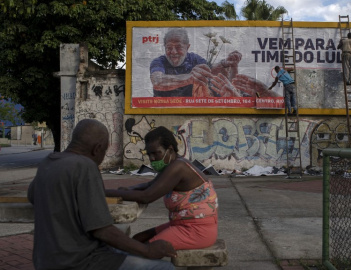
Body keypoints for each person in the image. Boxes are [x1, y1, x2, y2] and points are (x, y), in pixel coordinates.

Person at [27, 119, 176, 270]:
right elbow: (101, 230)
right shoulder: (85, 166)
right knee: (164, 267)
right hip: (80, 261)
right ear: (97, 149)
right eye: (104, 151)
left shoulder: (49, 162)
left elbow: (32, 196)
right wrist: (147, 250)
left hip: (45, 260)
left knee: (127, 248)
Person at [105, 126, 218, 250]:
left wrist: (105, 192)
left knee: (144, 250)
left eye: (155, 153)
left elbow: (147, 196)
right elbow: (150, 184)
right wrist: (128, 189)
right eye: (149, 154)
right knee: (138, 239)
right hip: (182, 224)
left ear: (169, 149)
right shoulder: (173, 164)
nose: (152, 158)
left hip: (196, 230)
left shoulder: (178, 167)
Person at [150, 28, 242, 97]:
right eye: (169, 48)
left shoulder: (194, 59)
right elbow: (157, 81)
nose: (173, 52)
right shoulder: (159, 62)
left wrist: (225, 63)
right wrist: (190, 78)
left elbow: (210, 70)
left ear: (187, 47)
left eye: (178, 47)